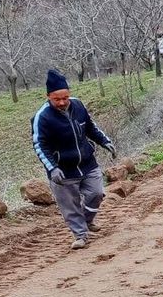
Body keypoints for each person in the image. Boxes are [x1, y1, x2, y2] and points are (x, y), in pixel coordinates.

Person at [31, 69, 116, 249]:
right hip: (63, 169)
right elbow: (40, 145)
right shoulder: (42, 117)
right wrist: (52, 168)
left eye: (65, 98)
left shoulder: (78, 105)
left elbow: (91, 128)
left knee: (97, 194)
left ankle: (87, 221)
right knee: (70, 206)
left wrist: (104, 141)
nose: (62, 102)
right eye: (57, 99)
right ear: (48, 97)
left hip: (87, 163)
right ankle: (81, 235)